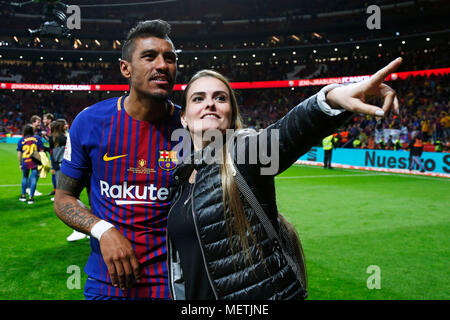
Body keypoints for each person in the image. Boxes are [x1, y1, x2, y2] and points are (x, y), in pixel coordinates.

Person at [166, 57, 402, 300]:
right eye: (198, 98)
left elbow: (288, 133)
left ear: (231, 112)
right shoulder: (180, 180)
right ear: (184, 117)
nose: (210, 104)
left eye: (220, 98)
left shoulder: (242, 152)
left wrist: (330, 100)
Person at [54, 19, 181, 300]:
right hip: (108, 282)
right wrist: (102, 230)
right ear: (125, 68)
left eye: (169, 58)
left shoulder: (190, 127)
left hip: (176, 282)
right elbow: (63, 198)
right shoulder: (89, 122)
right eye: (149, 56)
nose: (162, 65)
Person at [17, 124, 44, 204]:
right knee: (34, 179)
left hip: (25, 161)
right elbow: (41, 150)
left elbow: (19, 154)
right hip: (35, 161)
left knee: (24, 177)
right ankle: (31, 198)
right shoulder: (37, 138)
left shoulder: (21, 140)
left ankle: (23, 196)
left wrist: (20, 164)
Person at [43, 113, 57, 196]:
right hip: (52, 152)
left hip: (56, 153)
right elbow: (50, 141)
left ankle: (58, 191)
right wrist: (45, 136)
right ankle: (55, 189)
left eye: (44, 119)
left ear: (49, 120)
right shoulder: (49, 128)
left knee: (56, 172)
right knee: (53, 172)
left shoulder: (53, 127)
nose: (43, 121)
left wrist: (47, 135)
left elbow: (55, 140)